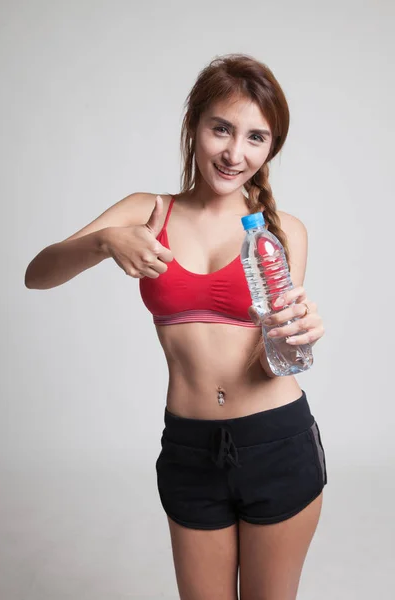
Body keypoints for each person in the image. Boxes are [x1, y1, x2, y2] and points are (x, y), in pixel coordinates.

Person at [25, 54, 327, 600]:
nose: (236, 153)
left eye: (256, 138)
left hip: (277, 440)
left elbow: (269, 360)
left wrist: (293, 334)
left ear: (270, 148)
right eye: (222, 129)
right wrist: (102, 241)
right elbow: (37, 275)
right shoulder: (148, 211)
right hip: (190, 448)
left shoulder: (283, 232)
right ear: (195, 126)